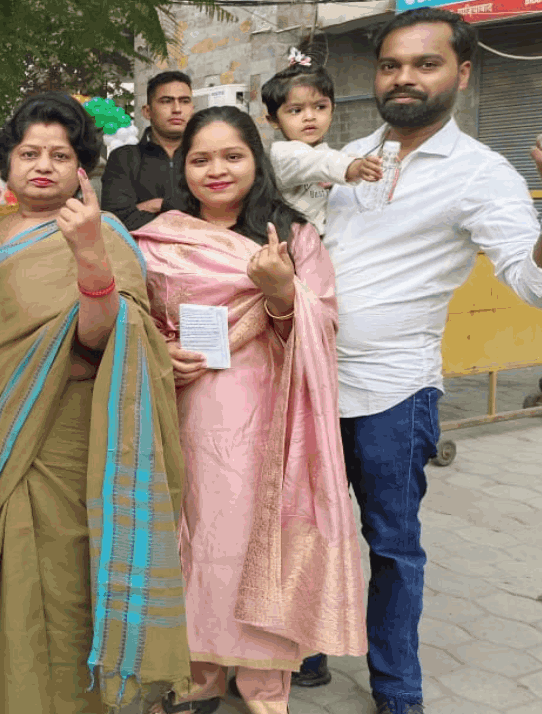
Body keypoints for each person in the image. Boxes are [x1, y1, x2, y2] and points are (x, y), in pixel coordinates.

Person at [296, 8, 542, 714]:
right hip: (306, 382)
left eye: (424, 64)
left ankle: (396, 685)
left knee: (392, 546)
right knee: (304, 526)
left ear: (462, 73)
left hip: (392, 394)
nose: (404, 78)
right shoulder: (346, 156)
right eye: (391, 65)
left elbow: (538, 282)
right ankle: (301, 653)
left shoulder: (478, 174)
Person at [0, 91, 191, 714]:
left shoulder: (106, 232)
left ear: (81, 163)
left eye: (59, 154)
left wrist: (90, 255)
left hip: (68, 435)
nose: (43, 165)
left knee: (65, 582)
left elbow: (104, 338)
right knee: (5, 582)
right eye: (28, 153)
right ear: (6, 164)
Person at [134, 106, 366, 714]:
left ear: (255, 162)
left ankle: (265, 686)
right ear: (182, 168)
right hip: (190, 413)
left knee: (263, 542)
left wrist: (282, 292)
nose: (217, 170)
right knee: (200, 542)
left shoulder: (292, 236)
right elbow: (142, 321)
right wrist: (162, 349)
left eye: (232, 156)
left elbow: (327, 325)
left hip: (273, 416)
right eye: (201, 158)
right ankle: (199, 676)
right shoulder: (160, 240)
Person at [260, 57, 383, 233]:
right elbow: (319, 162)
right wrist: (354, 167)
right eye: (296, 110)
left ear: (332, 109)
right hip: (292, 243)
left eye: (320, 107)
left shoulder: (325, 152)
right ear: (273, 120)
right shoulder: (283, 154)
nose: (310, 116)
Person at [101, 70, 194, 232]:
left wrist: (159, 205)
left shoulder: (204, 158)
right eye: (166, 101)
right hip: (142, 254)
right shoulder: (124, 158)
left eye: (184, 101)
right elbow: (117, 221)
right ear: (147, 111)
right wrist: (189, 217)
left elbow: (219, 213)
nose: (177, 109)